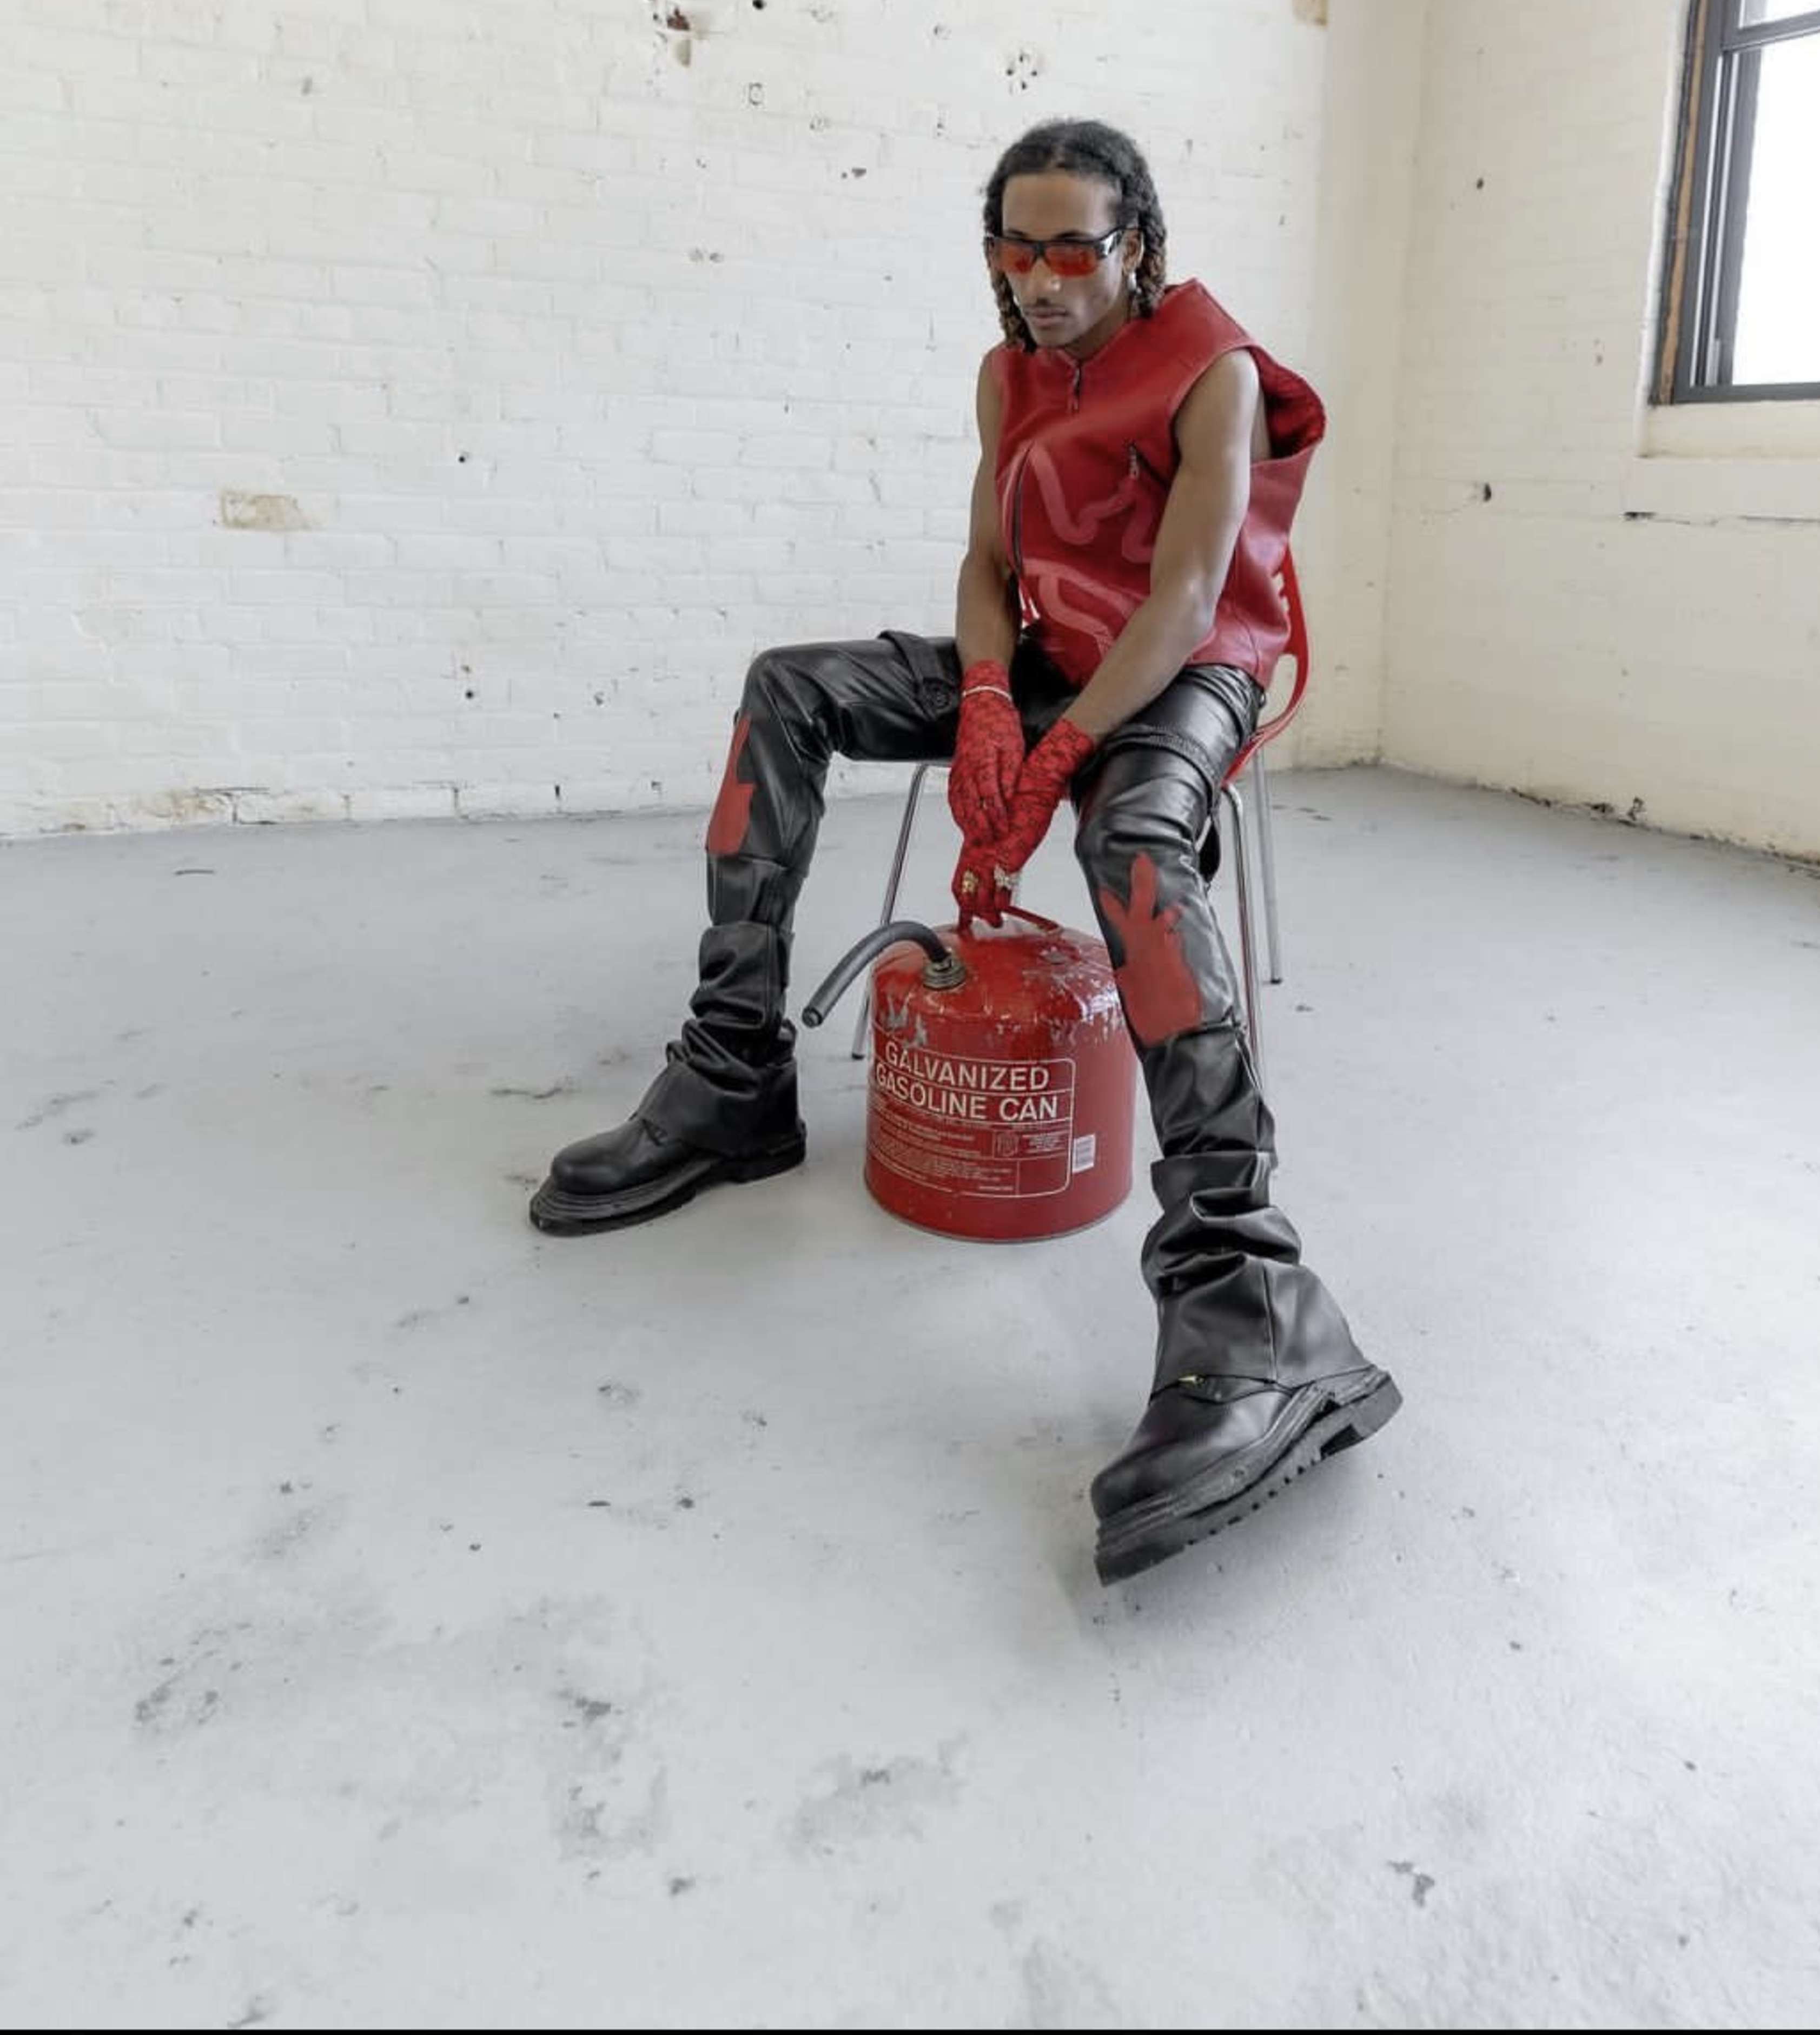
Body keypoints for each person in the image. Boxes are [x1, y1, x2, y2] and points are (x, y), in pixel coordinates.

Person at [530, 118, 1399, 1581]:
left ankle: (1256, 1302)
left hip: (1183, 671)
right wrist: (989, 700)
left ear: (1142, 246)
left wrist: (1056, 754)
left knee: (1128, 839)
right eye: (1016, 247)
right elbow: (989, 568)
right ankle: (735, 1076)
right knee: (788, 688)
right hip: (1054, 655)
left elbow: (1189, 603)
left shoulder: (1217, 371)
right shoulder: (1008, 371)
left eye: (1076, 247)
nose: (1044, 279)